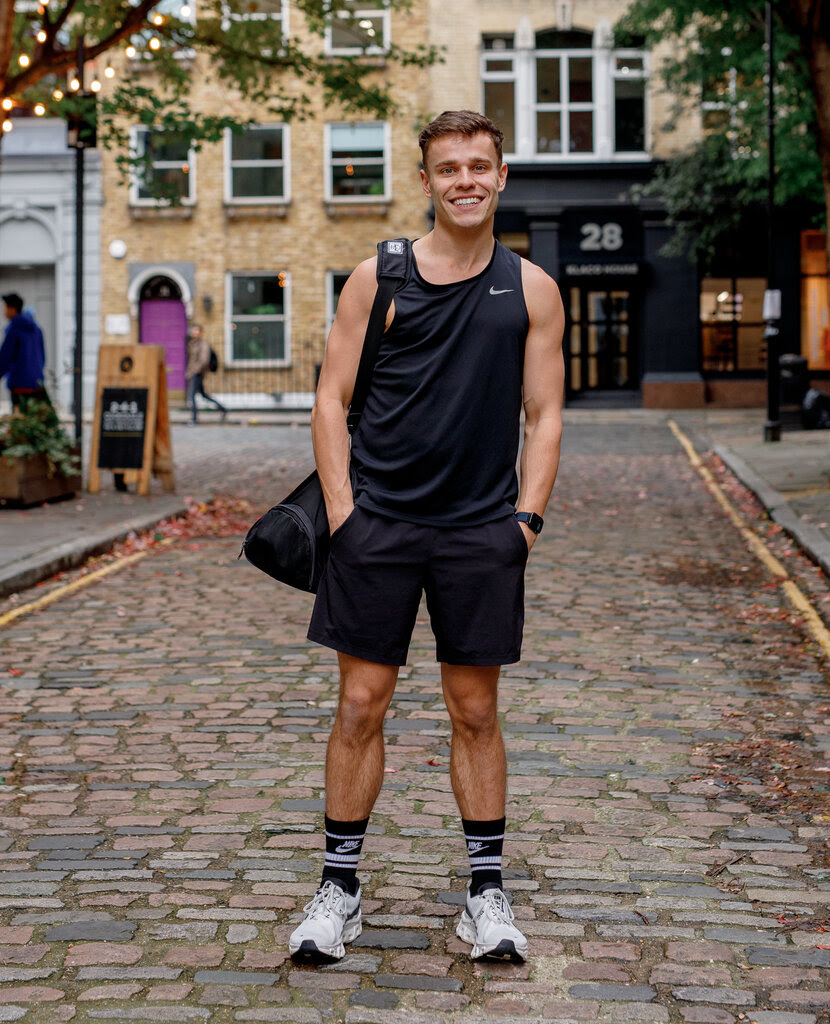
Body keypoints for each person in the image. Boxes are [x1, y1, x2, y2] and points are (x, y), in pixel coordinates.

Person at [289, 110, 564, 966]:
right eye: (449, 168)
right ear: (426, 182)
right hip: (379, 525)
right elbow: (329, 398)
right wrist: (342, 511)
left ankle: (487, 895)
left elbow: (546, 413)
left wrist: (525, 520)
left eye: (479, 166)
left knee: (475, 711)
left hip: (480, 531)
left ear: (503, 175)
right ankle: (340, 889)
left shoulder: (533, 290)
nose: (465, 181)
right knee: (360, 705)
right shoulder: (381, 277)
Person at [0, 293, 48, 410]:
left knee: (19, 416)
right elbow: (42, 356)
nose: (3, 311)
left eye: (5, 308)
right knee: (31, 417)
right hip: (36, 381)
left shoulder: (14, 329)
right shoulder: (36, 329)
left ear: (12, 309)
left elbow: (5, 356)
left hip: (19, 381)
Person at [185, 322, 227, 423]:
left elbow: (204, 360)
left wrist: (194, 371)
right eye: (193, 330)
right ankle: (223, 409)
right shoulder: (192, 344)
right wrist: (188, 371)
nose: (194, 333)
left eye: (197, 330)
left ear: (201, 332)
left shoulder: (203, 344)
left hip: (198, 373)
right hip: (193, 373)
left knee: (192, 395)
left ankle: (194, 419)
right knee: (203, 395)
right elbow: (191, 360)